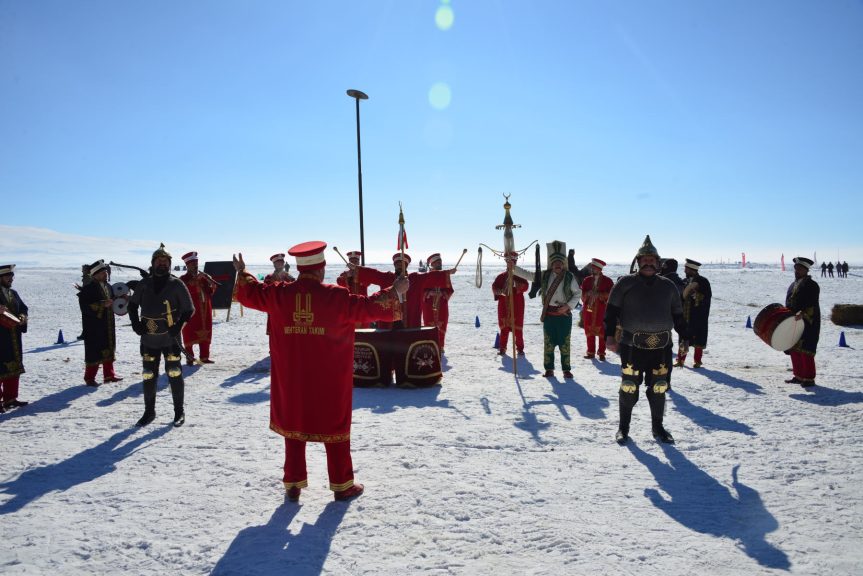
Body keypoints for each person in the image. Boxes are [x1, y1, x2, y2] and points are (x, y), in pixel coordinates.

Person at [232, 241, 409, 502]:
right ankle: (341, 483)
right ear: (321, 268)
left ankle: (293, 482)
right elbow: (369, 307)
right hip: (328, 378)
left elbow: (252, 292)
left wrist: (243, 272)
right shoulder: (335, 296)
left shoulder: (279, 294)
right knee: (334, 427)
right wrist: (395, 290)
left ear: (301, 269)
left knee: (294, 425)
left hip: (292, 378)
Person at [604, 235, 686, 445]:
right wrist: (610, 337)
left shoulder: (668, 286)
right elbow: (611, 312)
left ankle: (658, 428)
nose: (648, 263)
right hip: (632, 346)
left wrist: (685, 337)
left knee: (659, 387)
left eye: (652, 260)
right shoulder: (625, 283)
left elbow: (678, 315)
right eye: (644, 260)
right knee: (629, 387)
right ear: (638, 262)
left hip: (662, 347)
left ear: (658, 263)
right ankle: (623, 428)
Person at [128, 244, 195, 427]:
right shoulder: (144, 284)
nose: (162, 264)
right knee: (149, 375)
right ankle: (149, 412)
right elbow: (132, 305)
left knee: (174, 373)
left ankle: (178, 412)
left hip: (170, 338)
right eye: (159, 261)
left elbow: (189, 309)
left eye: (166, 261)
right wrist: (135, 324)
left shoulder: (176, 284)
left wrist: (179, 325)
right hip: (149, 337)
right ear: (153, 263)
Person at [512, 241, 581, 379]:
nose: (557, 265)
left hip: (564, 315)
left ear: (563, 263)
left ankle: (566, 369)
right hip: (549, 315)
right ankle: (549, 369)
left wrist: (567, 306)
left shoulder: (569, 277)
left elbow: (577, 294)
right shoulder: (544, 275)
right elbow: (529, 275)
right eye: (555, 262)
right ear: (551, 263)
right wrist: (513, 268)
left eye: (560, 262)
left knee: (564, 343)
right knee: (548, 343)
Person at [351, 253, 455, 330]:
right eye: (397, 264)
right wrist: (357, 270)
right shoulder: (387, 277)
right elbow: (373, 274)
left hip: (409, 321)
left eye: (402, 264)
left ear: (407, 265)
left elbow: (430, 276)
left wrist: (446, 273)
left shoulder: (415, 279)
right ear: (394, 265)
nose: (399, 266)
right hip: (388, 322)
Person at [77, 260, 123, 386]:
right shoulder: (88, 289)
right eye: (103, 273)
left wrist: (121, 299)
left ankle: (109, 375)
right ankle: (89, 378)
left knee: (108, 348)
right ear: (95, 274)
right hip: (94, 326)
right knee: (94, 351)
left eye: (106, 272)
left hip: (107, 323)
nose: (105, 275)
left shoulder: (108, 286)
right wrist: (102, 304)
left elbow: (112, 300)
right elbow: (85, 306)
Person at [785, 257, 820, 387]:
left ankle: (809, 378)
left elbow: (812, 303)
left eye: (799, 269)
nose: (797, 271)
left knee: (805, 350)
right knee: (794, 349)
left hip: (808, 322)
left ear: (806, 270)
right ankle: (798, 376)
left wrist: (803, 313)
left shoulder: (812, 285)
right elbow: (789, 302)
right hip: (793, 321)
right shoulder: (792, 285)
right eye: (796, 268)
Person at [180, 251, 217, 365]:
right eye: (192, 264)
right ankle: (189, 357)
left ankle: (204, 357)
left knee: (206, 331)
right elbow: (183, 291)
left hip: (205, 309)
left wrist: (211, 282)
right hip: (190, 311)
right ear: (187, 266)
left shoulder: (203, 277)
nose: (195, 266)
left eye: (196, 264)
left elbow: (210, 292)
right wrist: (195, 281)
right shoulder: (183, 279)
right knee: (189, 332)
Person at [0, 264, 29, 412]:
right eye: (7, 276)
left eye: (11, 276)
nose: (11, 279)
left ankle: (10, 398)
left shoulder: (14, 293)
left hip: (14, 336)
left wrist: (23, 316)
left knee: (13, 367)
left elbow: (23, 308)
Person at [675, 259, 712, 368]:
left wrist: (697, 296)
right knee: (683, 337)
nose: (685, 270)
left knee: (698, 338)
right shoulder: (684, 281)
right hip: (686, 315)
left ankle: (697, 361)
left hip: (698, 315)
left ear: (692, 270)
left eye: (686, 268)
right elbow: (681, 295)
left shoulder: (703, 281)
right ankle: (680, 360)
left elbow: (707, 296)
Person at [491, 252, 529, 356]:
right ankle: (502, 348)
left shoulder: (520, 275)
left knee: (518, 330)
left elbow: (526, 286)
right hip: (504, 305)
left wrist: (517, 285)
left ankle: (520, 349)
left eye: (512, 261)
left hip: (517, 305)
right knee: (504, 328)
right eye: (508, 261)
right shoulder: (501, 276)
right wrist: (499, 291)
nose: (510, 263)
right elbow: (494, 287)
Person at [579, 258, 614, 361]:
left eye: (595, 268)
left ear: (599, 269)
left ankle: (602, 352)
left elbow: (611, 295)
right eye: (592, 268)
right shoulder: (587, 280)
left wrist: (599, 295)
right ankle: (590, 352)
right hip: (588, 309)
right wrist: (587, 294)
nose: (593, 270)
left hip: (601, 310)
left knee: (602, 331)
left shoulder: (608, 281)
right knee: (589, 330)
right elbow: (582, 294)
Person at [422, 253, 455, 353]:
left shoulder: (445, 276)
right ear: (432, 264)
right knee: (429, 325)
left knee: (442, 325)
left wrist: (443, 294)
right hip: (429, 305)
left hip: (442, 304)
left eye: (440, 262)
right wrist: (429, 293)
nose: (439, 264)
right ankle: (431, 345)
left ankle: (441, 346)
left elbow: (450, 290)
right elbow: (421, 291)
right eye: (437, 263)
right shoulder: (426, 276)